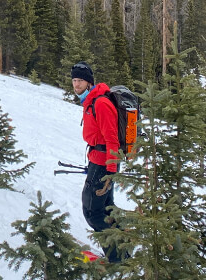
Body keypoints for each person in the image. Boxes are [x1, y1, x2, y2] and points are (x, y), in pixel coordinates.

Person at [71, 61, 125, 264]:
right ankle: (122, 252)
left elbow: (112, 139)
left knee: (93, 212)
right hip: (98, 161)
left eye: (80, 81)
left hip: (104, 164)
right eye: (74, 80)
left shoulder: (100, 103)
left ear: (89, 82)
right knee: (107, 208)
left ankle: (116, 258)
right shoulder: (90, 101)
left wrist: (111, 170)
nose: (76, 85)